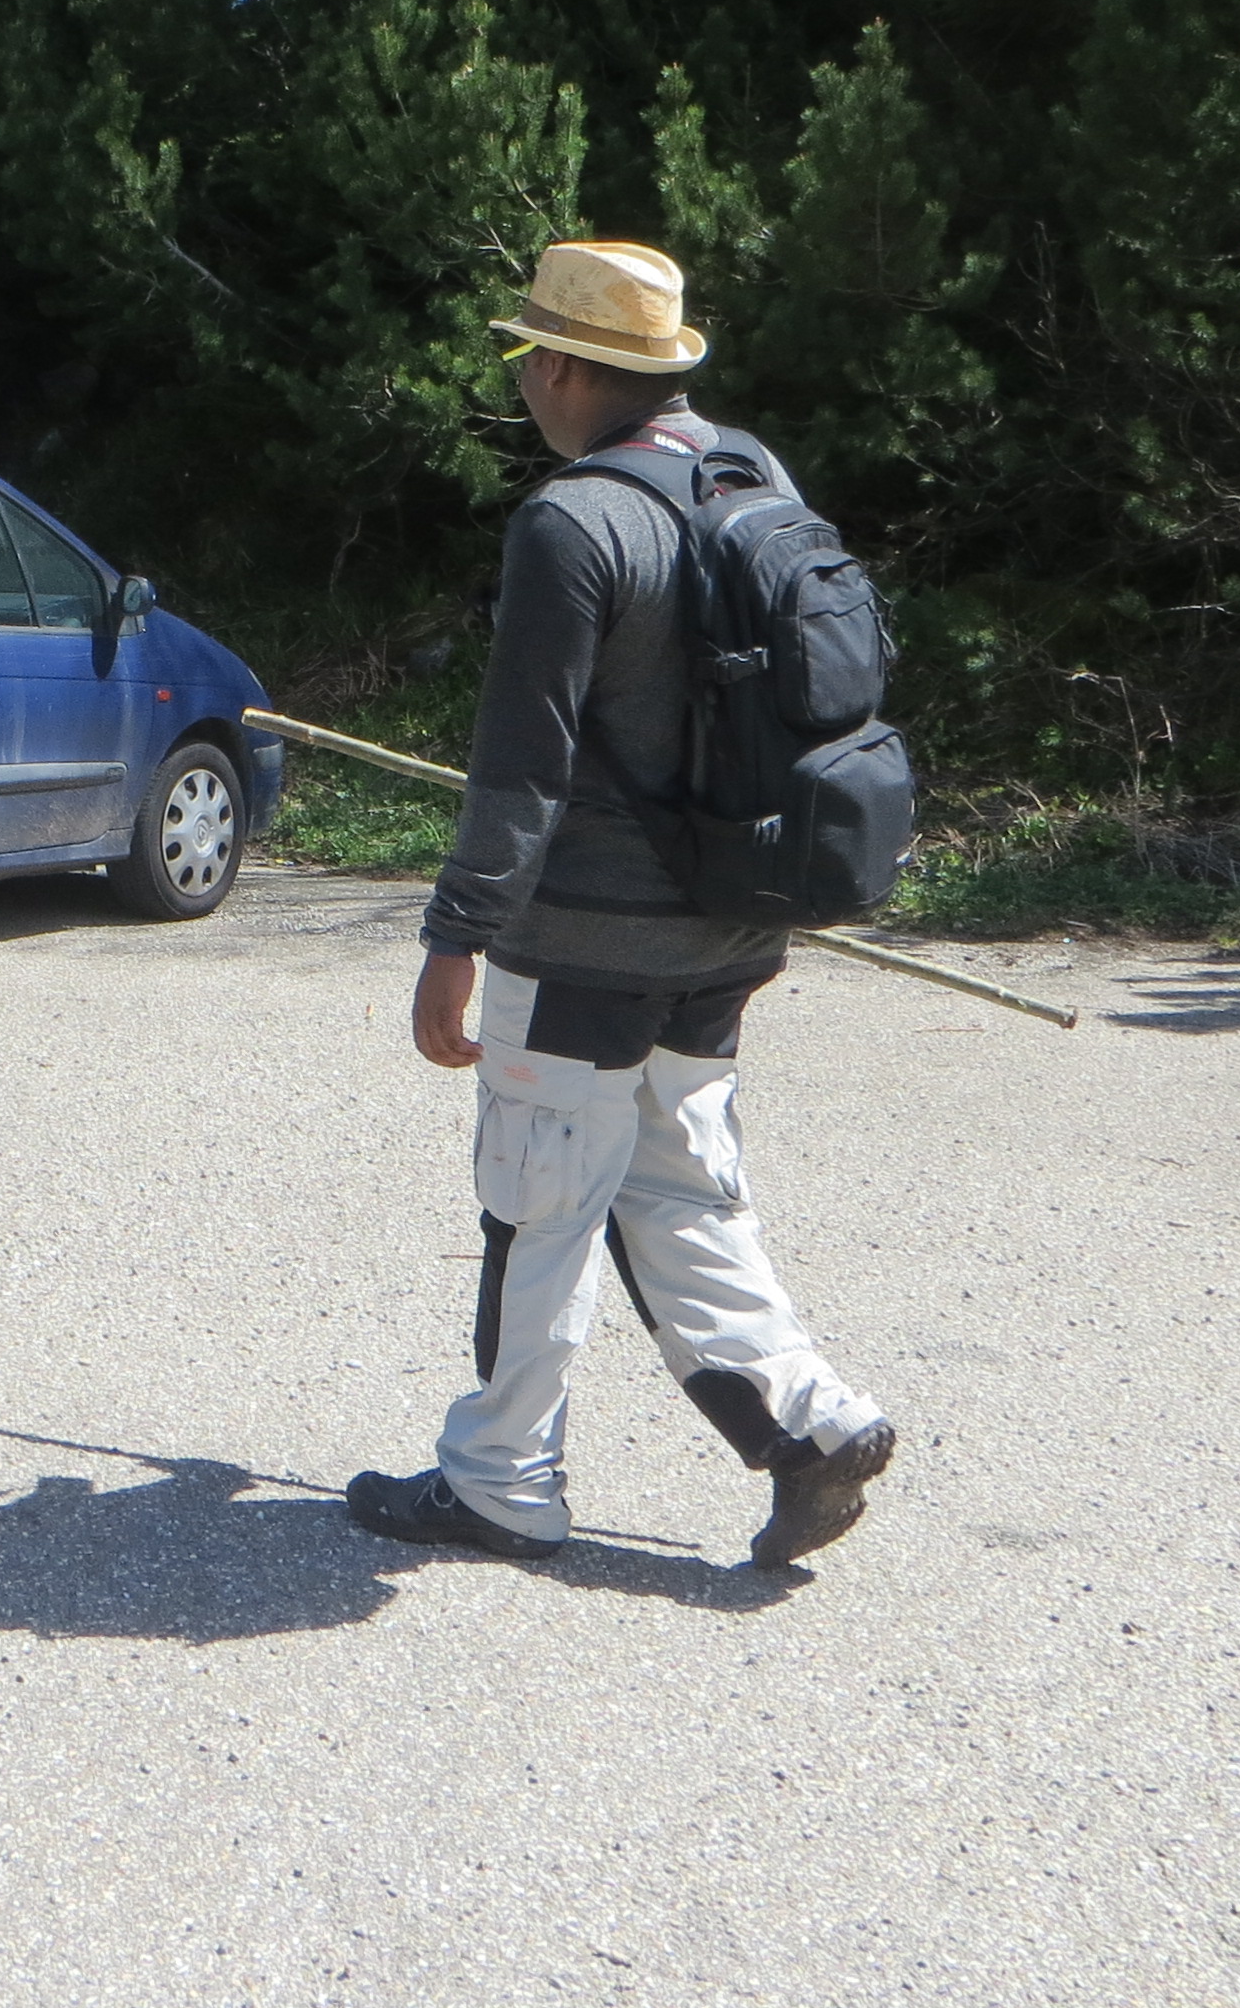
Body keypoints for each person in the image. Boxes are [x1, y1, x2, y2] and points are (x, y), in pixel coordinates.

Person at [344, 241, 898, 1571]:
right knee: (681, 1191)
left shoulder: (572, 522)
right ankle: (815, 1426)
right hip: (732, 923)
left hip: (582, 945)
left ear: (563, 366)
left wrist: (455, 941)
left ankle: (500, 1483)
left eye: (528, 356)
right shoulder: (752, 476)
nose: (523, 378)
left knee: (539, 1207)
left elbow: (520, 770)